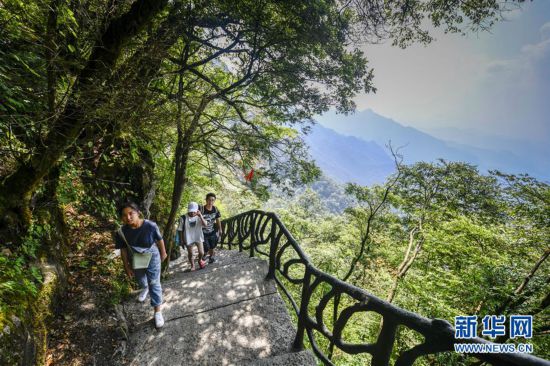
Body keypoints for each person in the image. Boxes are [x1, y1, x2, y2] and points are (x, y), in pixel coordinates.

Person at [115, 202, 168, 328]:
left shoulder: (150, 225)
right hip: (136, 257)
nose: (128, 218)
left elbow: (159, 239)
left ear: (138, 213)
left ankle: (157, 311)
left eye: (131, 213)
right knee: (140, 279)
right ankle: (145, 288)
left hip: (152, 255)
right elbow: (123, 250)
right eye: (124, 215)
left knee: (154, 282)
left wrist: (163, 252)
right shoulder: (121, 232)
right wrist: (126, 267)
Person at [177, 202, 207, 271]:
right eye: (191, 211)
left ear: (197, 210)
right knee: (190, 253)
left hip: (198, 236)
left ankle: (200, 260)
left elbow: (205, 225)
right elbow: (180, 230)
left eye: (194, 212)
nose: (192, 213)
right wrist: (181, 240)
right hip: (188, 237)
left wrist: (201, 216)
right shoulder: (183, 218)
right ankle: (192, 265)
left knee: (201, 252)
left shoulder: (199, 216)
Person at [200, 193, 222, 263]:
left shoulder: (215, 209)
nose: (211, 202)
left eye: (213, 200)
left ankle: (211, 257)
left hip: (212, 231)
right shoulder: (202, 209)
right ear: (206, 200)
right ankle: (204, 255)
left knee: (212, 246)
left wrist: (220, 229)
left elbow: (218, 220)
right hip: (202, 232)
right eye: (209, 200)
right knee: (206, 247)